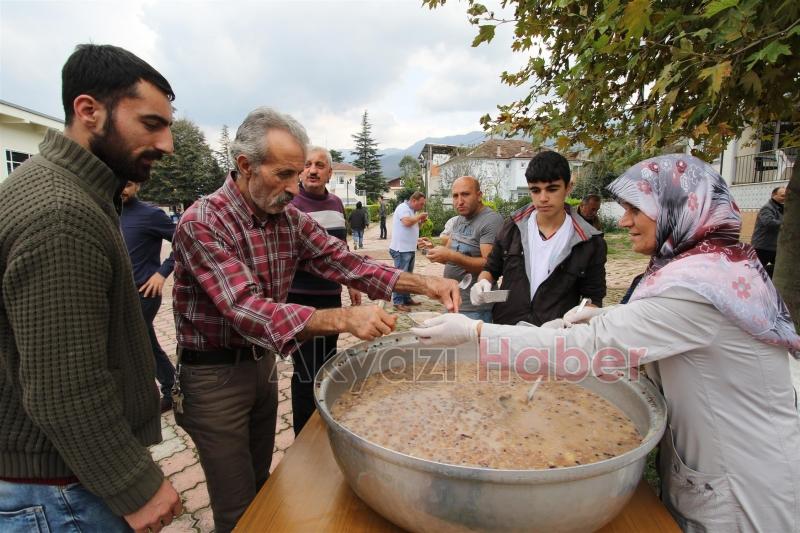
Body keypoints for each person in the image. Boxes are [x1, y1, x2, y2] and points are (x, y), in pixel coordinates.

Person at [412, 154, 800, 532]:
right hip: (721, 462)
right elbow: (658, 328)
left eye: (637, 209)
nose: (625, 221)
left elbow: (590, 349)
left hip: (741, 484)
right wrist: (606, 317)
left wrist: (474, 333)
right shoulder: (711, 264)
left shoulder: (697, 288)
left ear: (680, 208)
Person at [171, 107, 459, 532]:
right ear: (245, 165)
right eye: (285, 174)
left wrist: (425, 285)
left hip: (260, 365)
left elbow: (343, 261)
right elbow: (247, 309)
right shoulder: (203, 222)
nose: (294, 187)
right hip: (213, 378)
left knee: (261, 482)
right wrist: (344, 318)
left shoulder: (288, 219)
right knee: (236, 509)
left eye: (298, 173)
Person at [0, 44, 182, 533]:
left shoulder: (73, 189)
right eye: (151, 124)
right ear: (88, 111)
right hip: (59, 491)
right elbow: (65, 386)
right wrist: (135, 484)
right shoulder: (62, 214)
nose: (167, 145)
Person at [472, 150, 607, 326]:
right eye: (535, 190)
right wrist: (482, 282)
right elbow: (491, 268)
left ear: (568, 188)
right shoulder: (512, 227)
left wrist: (579, 315)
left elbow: (592, 297)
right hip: (507, 330)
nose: (543, 198)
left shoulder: (590, 242)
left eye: (552, 189)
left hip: (555, 337)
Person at [288, 145, 361, 435]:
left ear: (330, 172)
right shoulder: (291, 205)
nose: (313, 170)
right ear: (300, 170)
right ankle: (303, 436)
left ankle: (325, 424)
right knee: (305, 372)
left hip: (330, 297)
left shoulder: (335, 204)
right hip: (300, 301)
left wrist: (351, 282)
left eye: (320, 165)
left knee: (327, 364)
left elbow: (341, 249)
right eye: (307, 165)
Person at [121, 180, 178, 413]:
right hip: (119, 295)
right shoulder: (104, 210)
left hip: (144, 292)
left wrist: (162, 273)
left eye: (129, 183)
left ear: (137, 186)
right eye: (119, 182)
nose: (123, 188)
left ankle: (166, 391)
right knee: (145, 343)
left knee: (132, 342)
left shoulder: (150, 214)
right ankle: (173, 388)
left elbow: (185, 241)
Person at [424, 177, 503, 322]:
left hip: (476, 308)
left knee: (473, 345)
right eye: (455, 196)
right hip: (453, 302)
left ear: (479, 196)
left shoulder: (491, 220)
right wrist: (435, 252)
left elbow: (491, 265)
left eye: (465, 194)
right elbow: (449, 257)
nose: (459, 201)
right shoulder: (459, 220)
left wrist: (450, 255)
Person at [389, 191, 428, 311]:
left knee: (408, 276)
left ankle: (406, 298)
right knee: (401, 277)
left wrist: (420, 221)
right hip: (401, 249)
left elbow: (412, 225)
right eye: (421, 204)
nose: (421, 207)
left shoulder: (412, 211)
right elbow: (406, 222)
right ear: (414, 201)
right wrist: (419, 217)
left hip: (409, 249)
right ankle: (398, 301)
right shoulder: (403, 208)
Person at [751, 186, 786, 277]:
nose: (784, 198)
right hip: (762, 246)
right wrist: (787, 224)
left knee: (782, 269)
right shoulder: (767, 208)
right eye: (782, 196)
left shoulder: (782, 208)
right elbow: (769, 223)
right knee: (754, 272)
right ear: (773, 195)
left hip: (775, 247)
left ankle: (767, 283)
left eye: (786, 196)